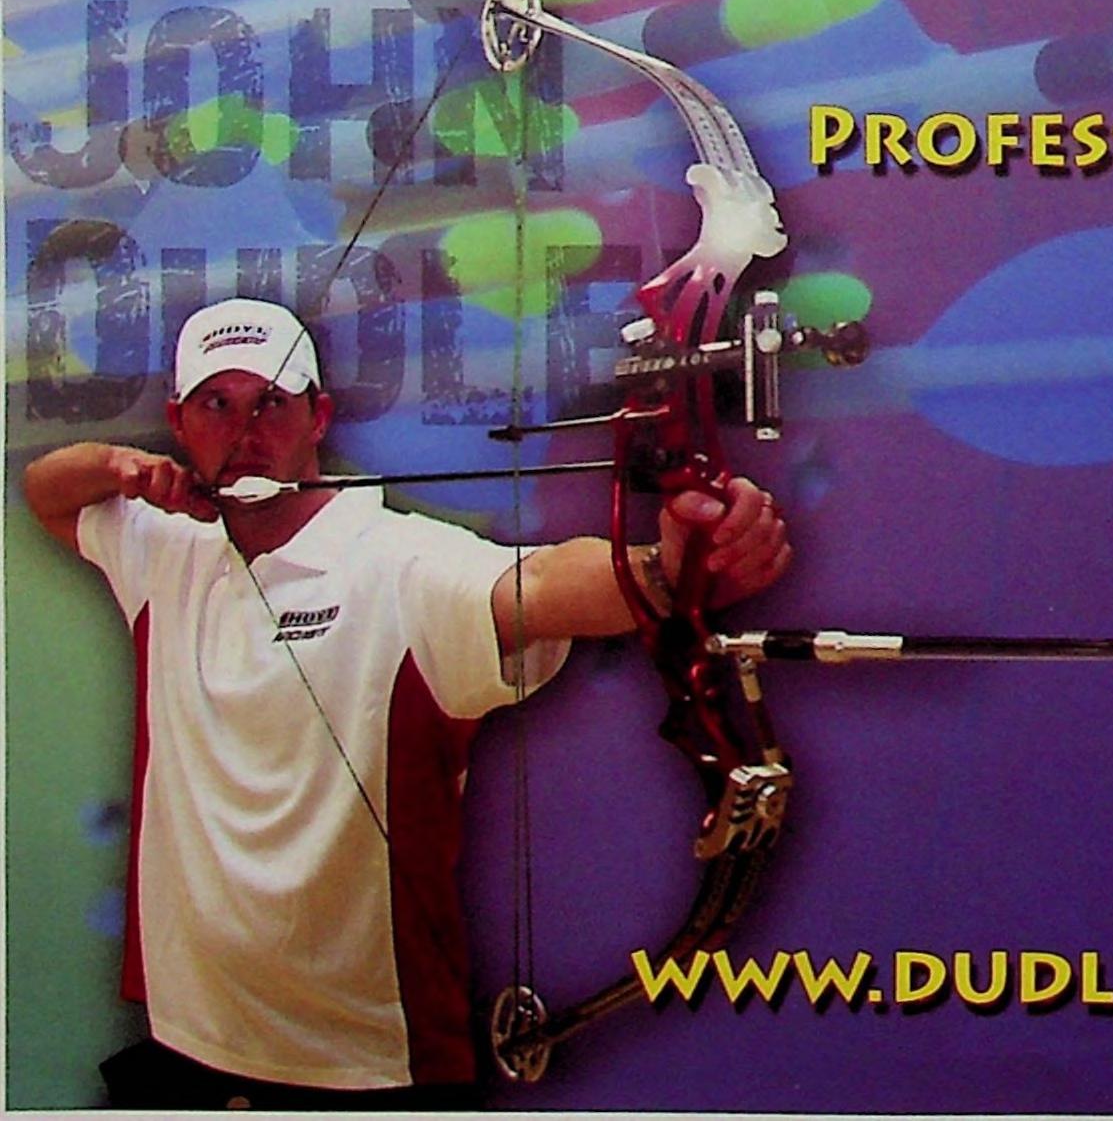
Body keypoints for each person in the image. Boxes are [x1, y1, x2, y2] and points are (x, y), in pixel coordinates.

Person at [21, 297, 792, 1109]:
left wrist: (672, 565)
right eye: (217, 404)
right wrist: (119, 466)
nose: (245, 430)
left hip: (364, 1072)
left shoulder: (402, 566)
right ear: (180, 422)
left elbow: (538, 584)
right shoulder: (163, 548)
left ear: (318, 417)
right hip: (186, 1045)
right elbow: (47, 492)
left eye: (271, 402)